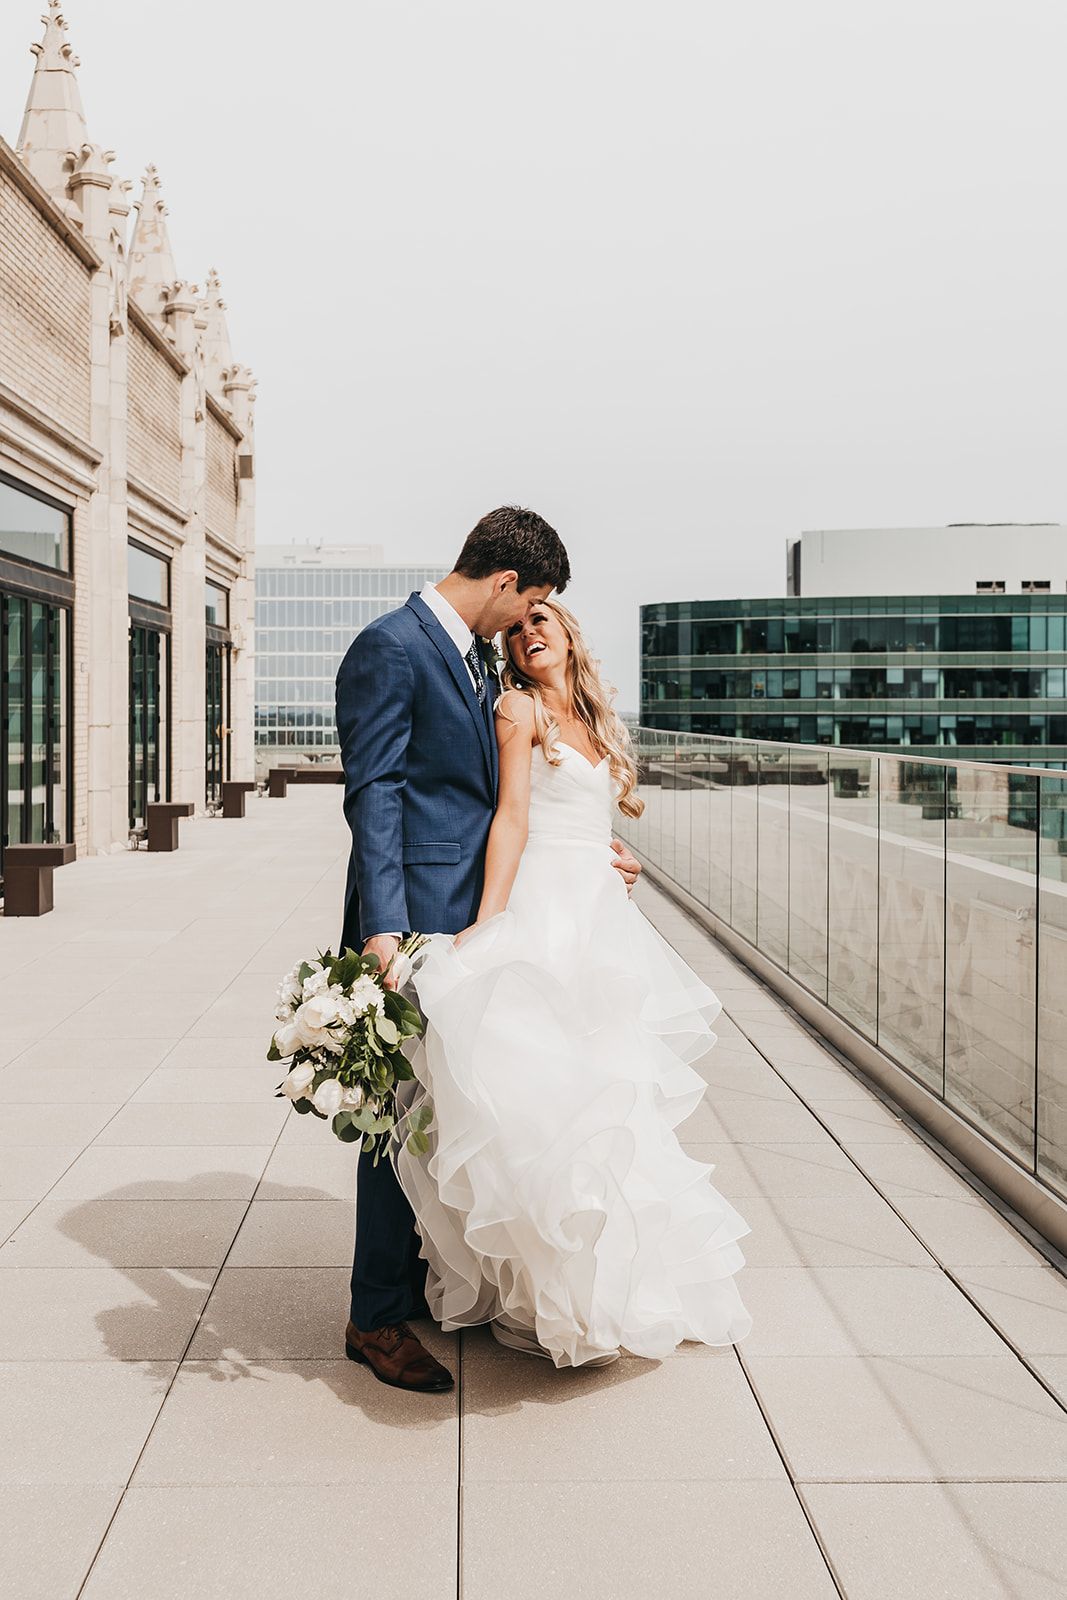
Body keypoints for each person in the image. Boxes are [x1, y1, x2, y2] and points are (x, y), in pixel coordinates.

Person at [392, 597, 753, 1368]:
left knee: (612, 1088)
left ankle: (620, 1281)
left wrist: (624, 861)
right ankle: (547, 1286)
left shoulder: (593, 721)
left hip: (600, 919)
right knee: (546, 1096)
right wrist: (487, 925)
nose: (526, 638)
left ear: (567, 636)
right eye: (516, 630)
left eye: (540, 625)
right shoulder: (516, 709)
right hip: (542, 908)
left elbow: (592, 821)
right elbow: (513, 818)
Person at [335, 506, 643, 1393]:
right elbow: (377, 796)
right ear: (505, 583)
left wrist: (583, 851)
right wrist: (384, 931)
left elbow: (501, 794)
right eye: (530, 603)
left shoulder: (469, 656)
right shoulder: (391, 648)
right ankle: (375, 1318)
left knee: (451, 1109)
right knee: (394, 1116)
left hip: (477, 915)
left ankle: (419, 1280)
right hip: (418, 923)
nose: (525, 624)